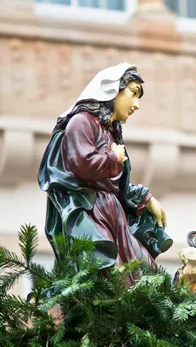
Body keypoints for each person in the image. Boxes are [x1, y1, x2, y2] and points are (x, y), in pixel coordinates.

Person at [38, 63, 171, 275]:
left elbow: (118, 185)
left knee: (145, 272)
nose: (136, 105)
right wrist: (113, 157)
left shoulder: (111, 132)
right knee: (111, 275)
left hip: (113, 213)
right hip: (91, 212)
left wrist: (146, 199)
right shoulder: (81, 122)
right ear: (112, 89)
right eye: (133, 94)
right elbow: (82, 166)